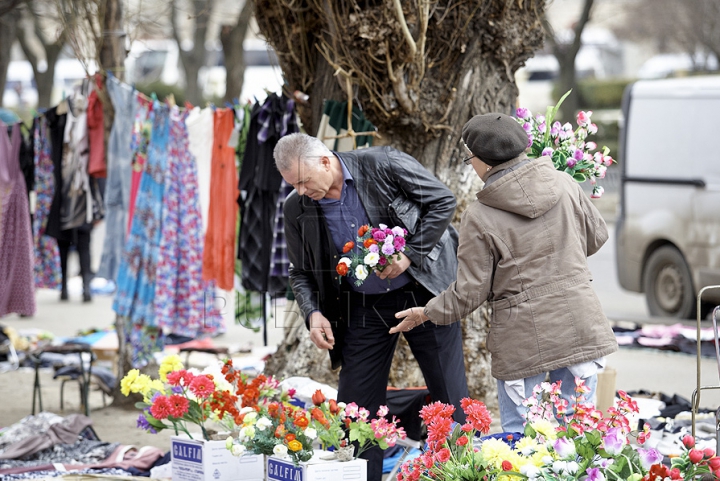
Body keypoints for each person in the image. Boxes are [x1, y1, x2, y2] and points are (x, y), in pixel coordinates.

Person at [391, 113, 618, 433]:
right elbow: (596, 237)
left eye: (470, 159)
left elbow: (470, 292)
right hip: (579, 321)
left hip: (522, 336)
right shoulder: (565, 183)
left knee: (522, 441)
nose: (471, 165)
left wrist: (426, 312)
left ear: (484, 161)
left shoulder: (480, 214)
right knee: (578, 434)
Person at [275, 133, 469, 481]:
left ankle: (461, 472)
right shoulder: (296, 207)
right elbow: (301, 271)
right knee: (357, 411)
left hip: (423, 293)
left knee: (450, 397)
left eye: (303, 181)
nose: (302, 191)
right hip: (362, 307)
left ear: (325, 161)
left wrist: (410, 254)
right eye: (293, 185)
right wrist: (312, 313)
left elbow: (442, 201)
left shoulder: (384, 163)